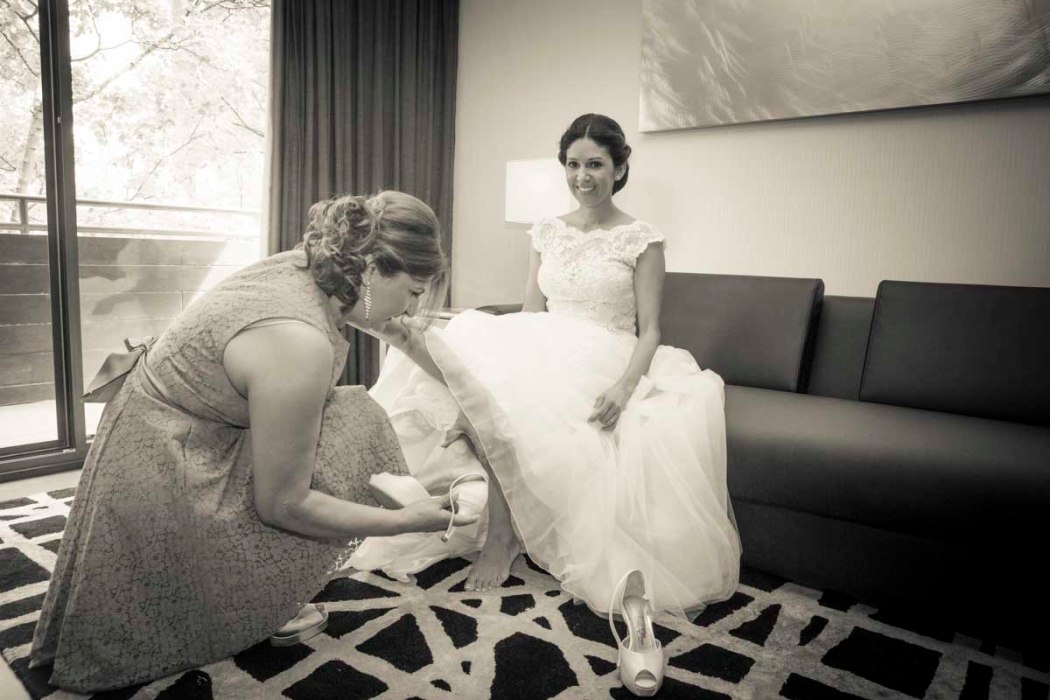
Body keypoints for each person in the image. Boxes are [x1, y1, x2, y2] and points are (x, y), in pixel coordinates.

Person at [29, 191, 477, 693]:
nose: (413, 308)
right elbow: (284, 504)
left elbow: (403, 333)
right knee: (354, 434)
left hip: (172, 424)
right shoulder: (298, 342)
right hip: (166, 461)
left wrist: (476, 403)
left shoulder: (319, 265)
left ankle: (257, 582)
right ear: (372, 269)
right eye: (414, 291)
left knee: (356, 416)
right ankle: (261, 596)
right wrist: (405, 521)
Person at [349, 114, 741, 619]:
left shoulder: (641, 239)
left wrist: (623, 388)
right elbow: (530, 312)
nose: (582, 176)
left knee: (496, 391)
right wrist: (510, 359)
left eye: (595, 164)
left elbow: (650, 331)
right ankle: (442, 475)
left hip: (607, 351)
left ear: (620, 168)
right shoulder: (546, 231)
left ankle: (502, 532)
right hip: (545, 338)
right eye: (573, 165)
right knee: (466, 357)